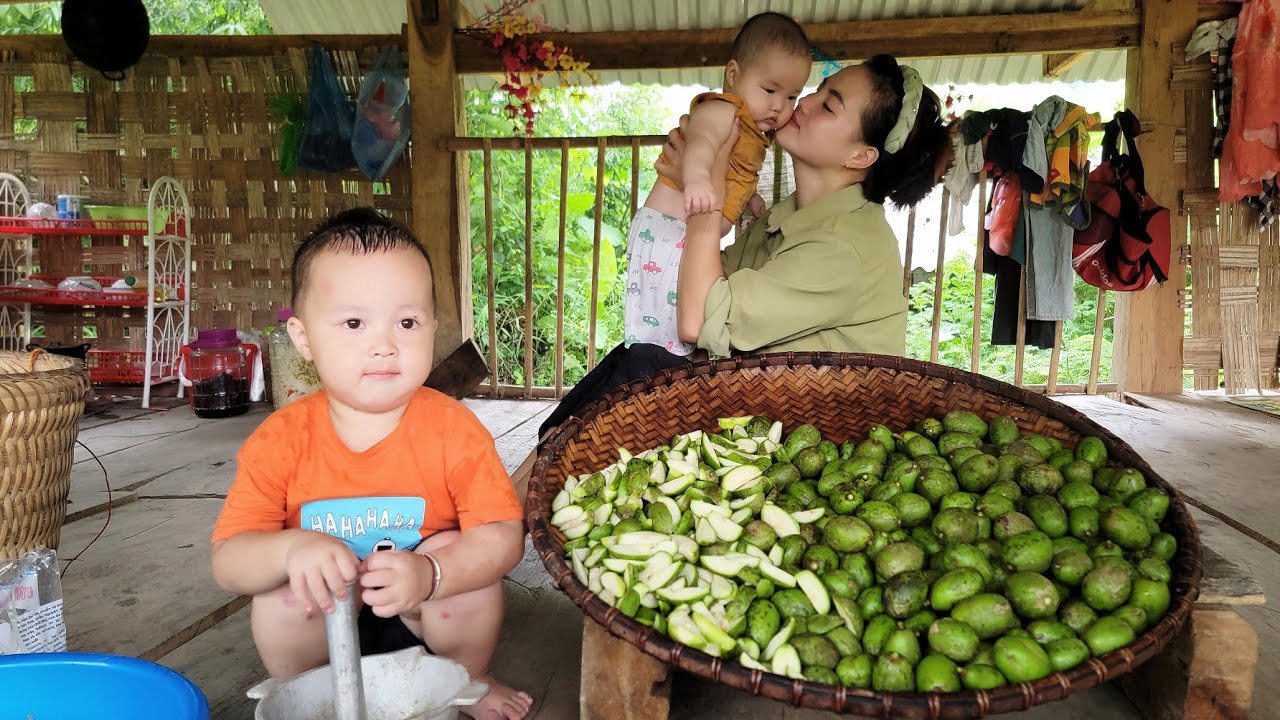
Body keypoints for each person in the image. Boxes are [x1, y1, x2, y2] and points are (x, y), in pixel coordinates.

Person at [526, 55, 951, 467]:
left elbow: (696, 320)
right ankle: (522, 488)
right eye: (817, 91)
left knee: (643, 369)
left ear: (861, 156)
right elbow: (700, 286)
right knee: (635, 358)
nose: (803, 103)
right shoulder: (787, 217)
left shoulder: (845, 245)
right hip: (759, 398)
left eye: (829, 105)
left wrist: (706, 203)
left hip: (814, 447)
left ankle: (519, 497)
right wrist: (683, 184)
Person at [210, 209, 534, 720]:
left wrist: (431, 572)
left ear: (432, 326)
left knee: (461, 559)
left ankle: (468, 676)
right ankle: (308, 691)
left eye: (407, 322)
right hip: (324, 622)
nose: (384, 345)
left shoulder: (454, 429)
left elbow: (502, 537)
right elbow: (229, 561)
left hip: (422, 608)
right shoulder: (279, 440)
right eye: (354, 323)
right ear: (304, 339)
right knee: (279, 591)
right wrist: (291, 549)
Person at [623, 12, 811, 357]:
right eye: (770, 89)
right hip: (668, 230)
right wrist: (694, 177)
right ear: (734, 75)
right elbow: (702, 142)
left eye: (791, 98)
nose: (778, 106)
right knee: (660, 330)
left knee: (673, 321)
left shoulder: (753, 131)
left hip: (683, 232)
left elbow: (732, 172)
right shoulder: (724, 109)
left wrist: (748, 200)